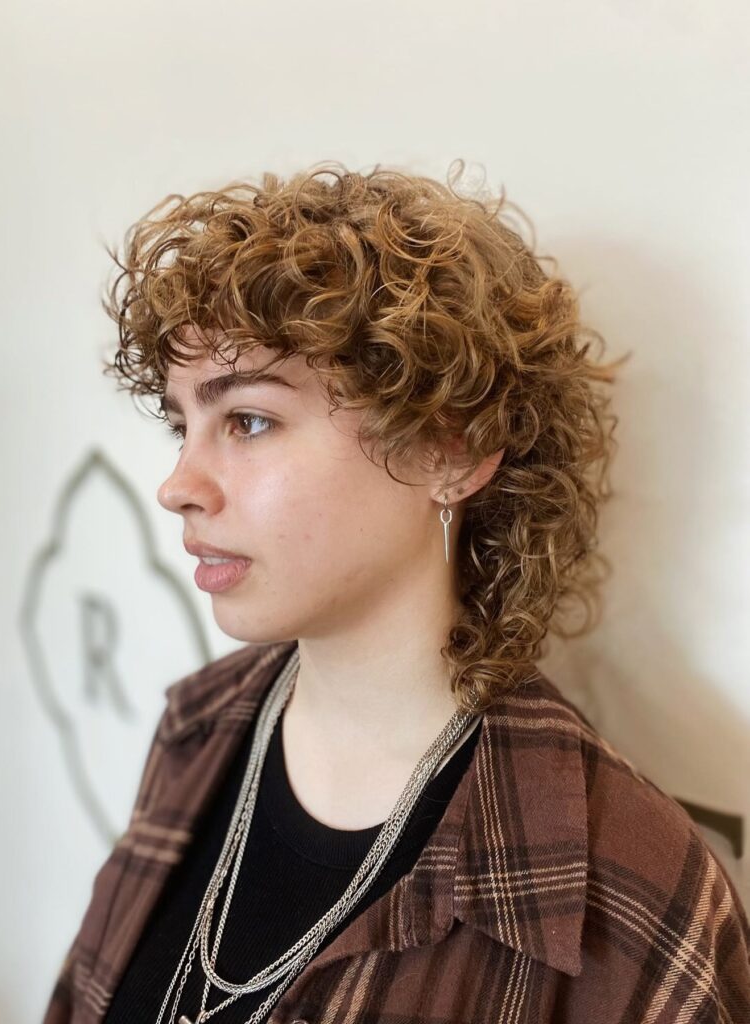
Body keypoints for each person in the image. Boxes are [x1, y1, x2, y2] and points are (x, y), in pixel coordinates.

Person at [43, 163, 750, 1024]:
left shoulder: (624, 893)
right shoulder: (199, 731)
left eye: (250, 420)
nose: (179, 484)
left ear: (449, 451)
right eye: (181, 422)